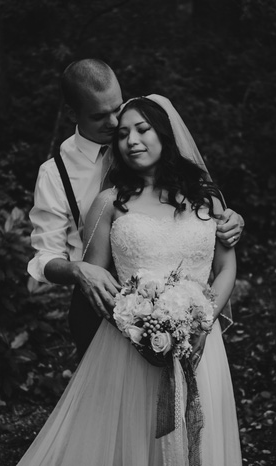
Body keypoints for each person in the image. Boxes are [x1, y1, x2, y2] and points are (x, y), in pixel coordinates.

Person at [16, 96, 242, 465]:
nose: (131, 141)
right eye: (122, 134)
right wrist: (139, 329)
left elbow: (227, 269)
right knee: (134, 440)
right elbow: (97, 279)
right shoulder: (109, 202)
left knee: (198, 437)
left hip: (202, 339)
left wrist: (202, 324)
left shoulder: (207, 197)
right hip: (131, 347)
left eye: (142, 129)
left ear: (164, 133)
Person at [27, 59, 245, 355]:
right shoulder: (55, 174)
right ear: (72, 114)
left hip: (183, 313)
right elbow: (45, 257)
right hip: (100, 307)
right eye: (100, 116)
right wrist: (79, 271)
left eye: (118, 108)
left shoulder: (141, 137)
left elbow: (196, 219)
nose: (117, 124)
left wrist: (227, 220)